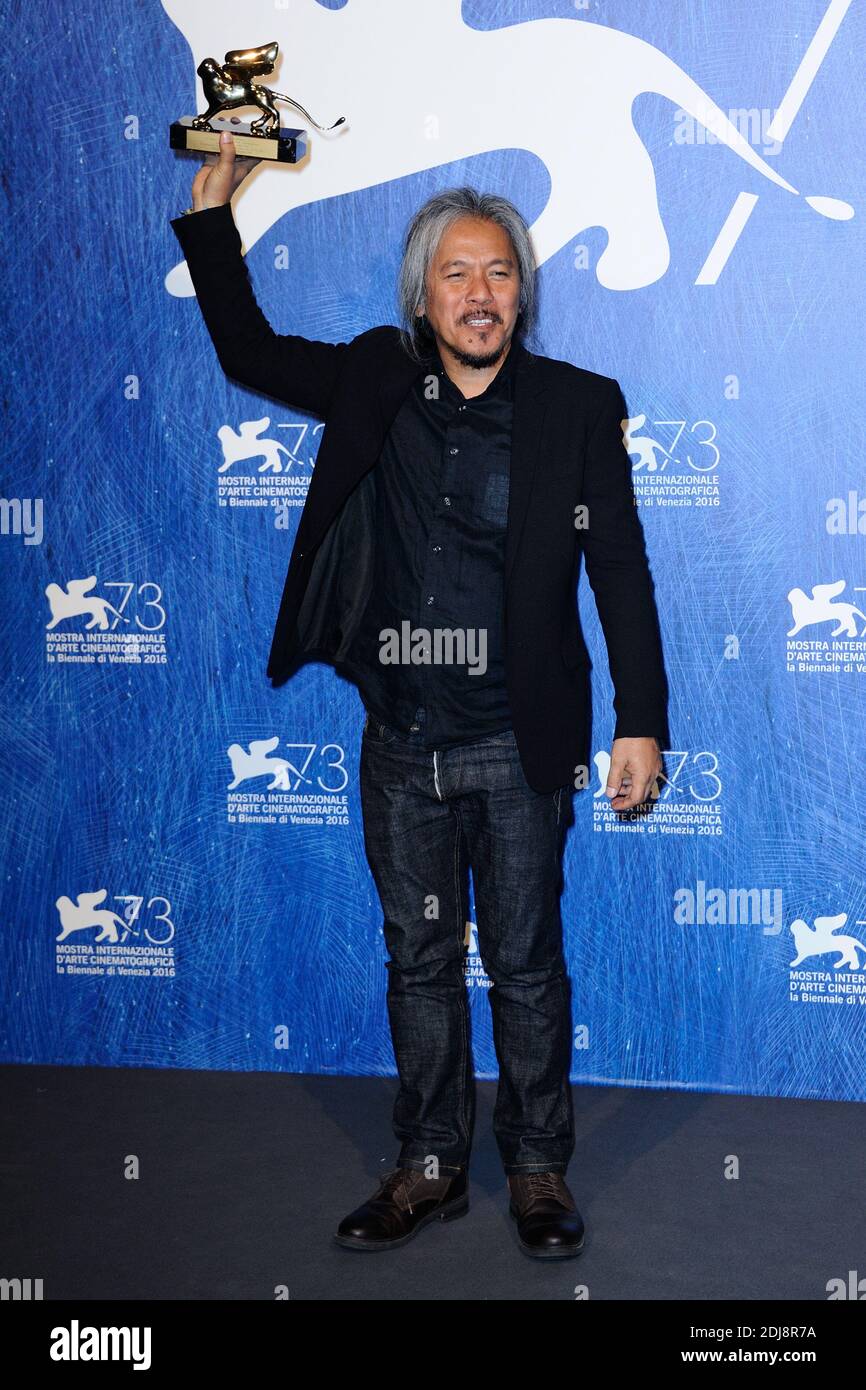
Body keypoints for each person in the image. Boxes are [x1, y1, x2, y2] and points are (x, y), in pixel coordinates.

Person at [171, 132, 669, 1259]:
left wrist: (639, 717)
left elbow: (618, 568)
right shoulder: (373, 379)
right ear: (422, 294)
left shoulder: (578, 408)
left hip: (514, 741)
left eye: (497, 272)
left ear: (521, 291)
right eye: (455, 273)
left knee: (528, 966)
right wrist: (213, 210)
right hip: (400, 743)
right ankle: (430, 1164)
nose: (478, 294)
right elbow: (244, 345)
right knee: (420, 960)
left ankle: (537, 1170)